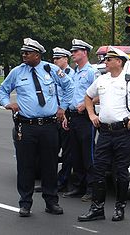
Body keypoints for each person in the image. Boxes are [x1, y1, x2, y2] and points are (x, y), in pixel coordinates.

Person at [0, 38, 74, 217]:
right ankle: (25, 203)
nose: (24, 55)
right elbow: (2, 90)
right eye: (23, 52)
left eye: (27, 53)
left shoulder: (51, 69)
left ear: (37, 55)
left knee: (50, 164)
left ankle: (51, 201)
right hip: (26, 126)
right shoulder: (17, 72)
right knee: (26, 166)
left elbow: (69, 86)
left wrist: (62, 107)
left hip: (48, 126)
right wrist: (7, 103)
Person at [78, 46, 130, 222]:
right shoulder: (102, 80)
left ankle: (119, 208)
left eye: (108, 60)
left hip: (123, 133)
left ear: (118, 62)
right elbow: (88, 97)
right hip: (105, 132)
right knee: (98, 170)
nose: (105, 62)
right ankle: (97, 208)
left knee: (121, 172)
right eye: (105, 59)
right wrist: (91, 115)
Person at [62, 39, 99, 201]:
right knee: (75, 154)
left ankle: (92, 188)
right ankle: (78, 186)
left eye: (76, 51)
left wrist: (86, 105)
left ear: (84, 52)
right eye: (72, 51)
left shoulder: (91, 71)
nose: (73, 54)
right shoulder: (74, 72)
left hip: (85, 118)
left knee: (88, 154)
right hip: (72, 116)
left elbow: (100, 93)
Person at [52, 47, 75, 192]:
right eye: (54, 58)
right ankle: (50, 181)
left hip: (66, 116)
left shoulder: (71, 75)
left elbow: (70, 94)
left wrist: (64, 112)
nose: (55, 61)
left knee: (67, 152)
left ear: (66, 59)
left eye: (58, 58)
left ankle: (63, 181)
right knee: (50, 150)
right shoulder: (53, 74)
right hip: (54, 116)